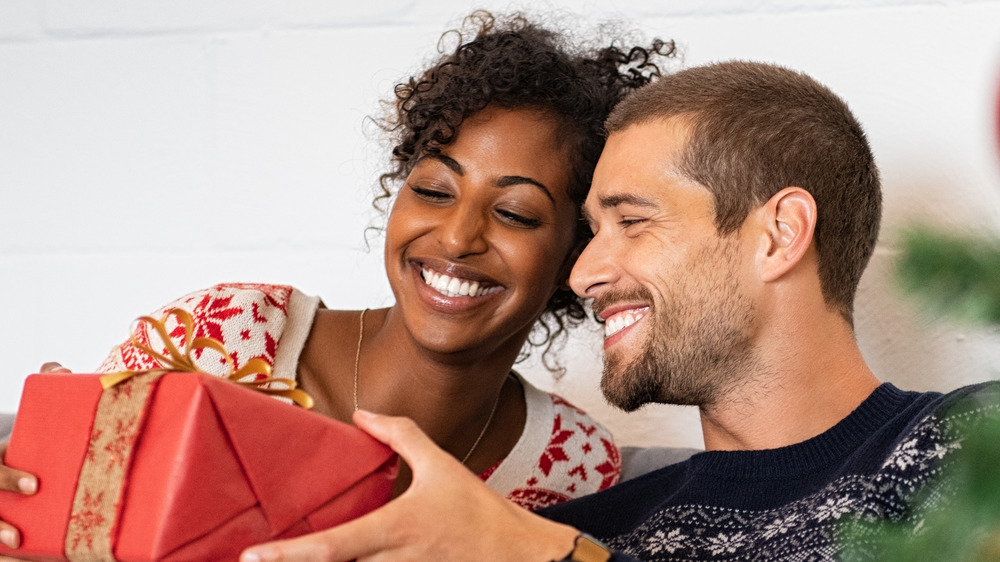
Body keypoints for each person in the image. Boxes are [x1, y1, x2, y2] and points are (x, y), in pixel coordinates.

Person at [234, 60, 1000, 561]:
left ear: (779, 234)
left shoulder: (972, 447)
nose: (588, 272)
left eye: (632, 222)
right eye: (590, 233)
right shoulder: (586, 526)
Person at [0, 10, 674, 552]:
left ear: (574, 257)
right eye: (435, 190)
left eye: (513, 213)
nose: (458, 238)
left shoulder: (571, 463)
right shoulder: (222, 336)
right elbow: (67, 520)